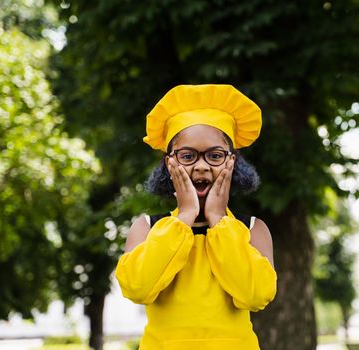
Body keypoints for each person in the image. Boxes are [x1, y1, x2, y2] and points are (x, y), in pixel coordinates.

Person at [115, 84, 277, 350]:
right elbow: (138, 289)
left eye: (214, 155)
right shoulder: (146, 228)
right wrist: (185, 217)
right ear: (169, 162)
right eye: (187, 156)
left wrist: (218, 220)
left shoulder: (252, 229)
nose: (201, 166)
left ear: (232, 161)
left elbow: (256, 296)